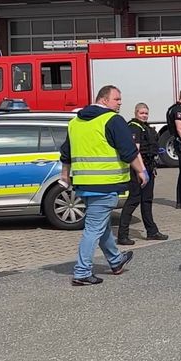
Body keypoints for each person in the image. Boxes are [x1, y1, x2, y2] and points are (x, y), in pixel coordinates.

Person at [60, 85, 148, 286]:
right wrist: (141, 172)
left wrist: (65, 176)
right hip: (106, 185)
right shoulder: (113, 120)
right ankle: (82, 272)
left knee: (102, 225)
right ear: (104, 100)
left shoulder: (75, 122)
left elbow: (66, 153)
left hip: (83, 184)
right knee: (93, 228)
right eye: (117, 99)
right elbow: (128, 151)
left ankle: (116, 260)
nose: (120, 103)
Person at [117, 103, 168, 246]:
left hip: (149, 167)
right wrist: (141, 171)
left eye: (146, 113)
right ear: (136, 113)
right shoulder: (134, 127)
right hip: (138, 170)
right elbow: (135, 151)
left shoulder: (145, 127)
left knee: (147, 201)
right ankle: (122, 235)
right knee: (133, 200)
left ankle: (152, 231)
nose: (144, 115)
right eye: (141, 113)